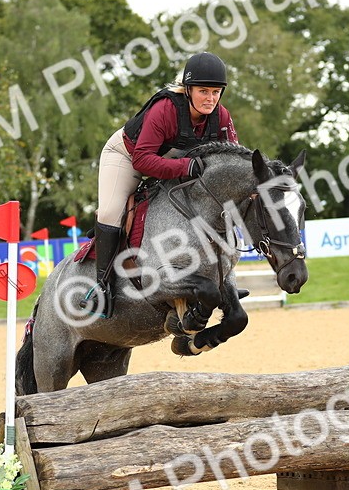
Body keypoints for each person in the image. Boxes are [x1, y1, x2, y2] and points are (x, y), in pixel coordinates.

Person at [83, 51, 239, 317]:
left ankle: (223, 280)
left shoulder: (221, 116)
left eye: (216, 92)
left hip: (168, 162)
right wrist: (184, 167)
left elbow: (233, 159)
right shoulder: (165, 109)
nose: (210, 99)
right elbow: (143, 160)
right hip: (128, 156)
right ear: (188, 90)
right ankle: (102, 287)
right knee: (111, 212)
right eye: (203, 91)